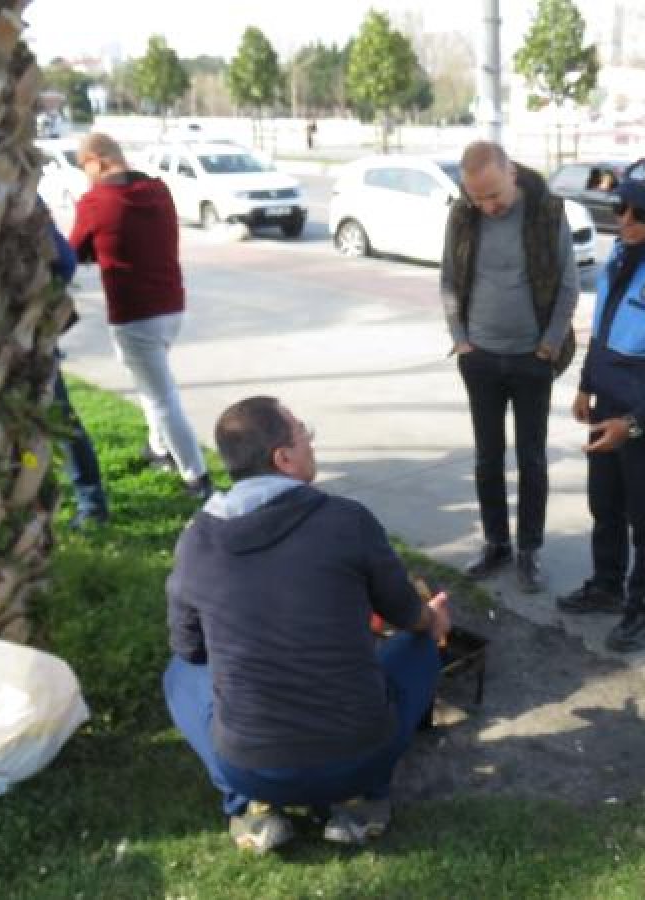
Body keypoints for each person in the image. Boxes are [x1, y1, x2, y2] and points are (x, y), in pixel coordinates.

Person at [164, 396, 450, 852]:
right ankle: (361, 803)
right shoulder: (348, 521)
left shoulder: (196, 540)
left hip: (252, 764)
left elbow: (189, 649)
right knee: (422, 644)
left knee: (178, 675)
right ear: (284, 458)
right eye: (303, 432)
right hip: (359, 757)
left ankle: (253, 807)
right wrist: (433, 618)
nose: (312, 441)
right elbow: (406, 615)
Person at [556, 159, 645, 653]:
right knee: (605, 504)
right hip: (607, 401)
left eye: (637, 210)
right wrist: (585, 385)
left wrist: (635, 422)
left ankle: (643, 605)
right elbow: (603, 327)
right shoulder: (620, 253)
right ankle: (606, 584)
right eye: (619, 206)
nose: (625, 220)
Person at [440, 140, 580, 594]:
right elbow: (448, 279)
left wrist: (549, 345)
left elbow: (569, 285)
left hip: (530, 359)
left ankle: (529, 551)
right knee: (487, 458)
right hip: (479, 357)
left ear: (512, 175)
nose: (487, 206)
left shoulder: (546, 212)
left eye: (494, 194)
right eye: (477, 197)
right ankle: (496, 544)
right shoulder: (462, 214)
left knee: (532, 459)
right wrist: (460, 339)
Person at [69, 132, 212, 500]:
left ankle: (195, 477)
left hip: (134, 313)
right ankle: (158, 449)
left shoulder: (96, 202)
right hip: (171, 306)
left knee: (162, 398)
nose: (85, 177)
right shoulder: (158, 190)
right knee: (153, 385)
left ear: (98, 162)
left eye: (85, 168)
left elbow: (73, 254)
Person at [45, 206, 110, 529]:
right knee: (61, 419)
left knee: (61, 418)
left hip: (21, 343)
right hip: (23, 340)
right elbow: (65, 263)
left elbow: (66, 261)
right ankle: (90, 503)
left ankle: (91, 502)